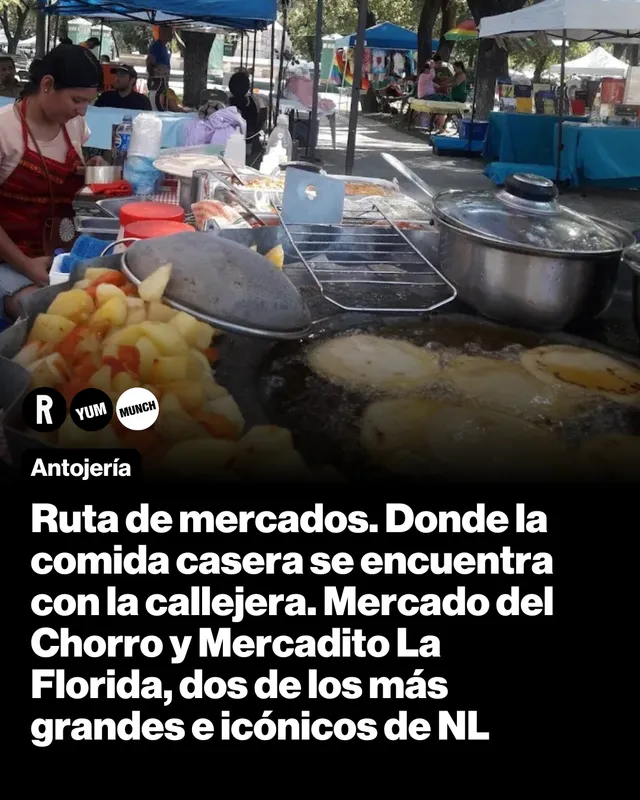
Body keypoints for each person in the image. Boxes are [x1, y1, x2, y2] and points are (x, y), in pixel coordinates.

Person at [0, 45, 105, 323]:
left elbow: (63, 179)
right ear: (47, 85)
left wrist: (88, 172)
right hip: (10, 261)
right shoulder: (3, 130)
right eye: (76, 100)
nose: (82, 111)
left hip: (61, 255)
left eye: (88, 103)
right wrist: (27, 266)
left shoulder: (73, 126)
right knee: (53, 317)